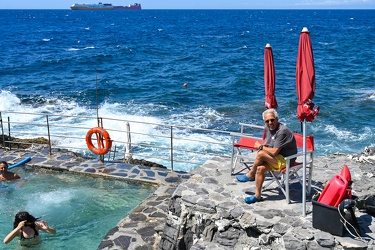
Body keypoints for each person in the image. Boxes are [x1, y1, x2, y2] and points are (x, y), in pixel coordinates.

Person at [236, 108, 297, 204]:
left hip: (287, 160)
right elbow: (267, 144)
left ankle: (251, 174)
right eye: (267, 121)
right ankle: (257, 196)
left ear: (277, 119)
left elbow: (274, 152)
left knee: (260, 154)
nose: (270, 123)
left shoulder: (282, 131)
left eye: (272, 120)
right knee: (260, 168)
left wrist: (260, 147)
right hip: (277, 159)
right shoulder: (268, 128)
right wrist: (263, 146)